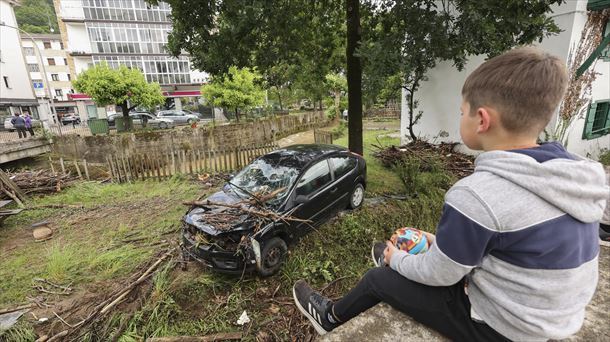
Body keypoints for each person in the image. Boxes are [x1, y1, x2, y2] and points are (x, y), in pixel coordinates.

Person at [292, 47, 609, 341]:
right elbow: (516, 241)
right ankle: (399, 258)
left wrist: (397, 259)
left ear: (482, 120)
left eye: (462, 112)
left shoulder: (476, 195)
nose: (460, 118)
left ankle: (330, 317)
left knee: (378, 280)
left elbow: (440, 274)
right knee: (420, 257)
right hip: (553, 318)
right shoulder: (577, 175)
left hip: (504, 327)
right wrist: (436, 241)